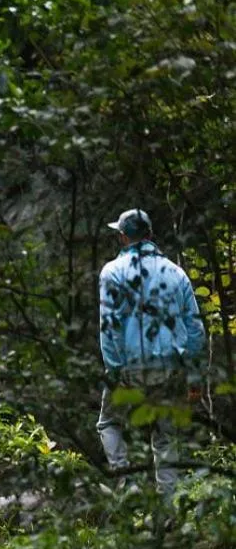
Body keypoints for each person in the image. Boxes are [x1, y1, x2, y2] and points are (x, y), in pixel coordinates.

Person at [96, 207, 207, 494]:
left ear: (123, 237)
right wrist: (194, 377)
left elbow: (109, 327)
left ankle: (127, 485)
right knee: (165, 436)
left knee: (109, 422)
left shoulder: (112, 272)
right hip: (171, 367)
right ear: (150, 235)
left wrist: (114, 370)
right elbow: (195, 329)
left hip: (129, 366)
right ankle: (168, 506)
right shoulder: (176, 272)